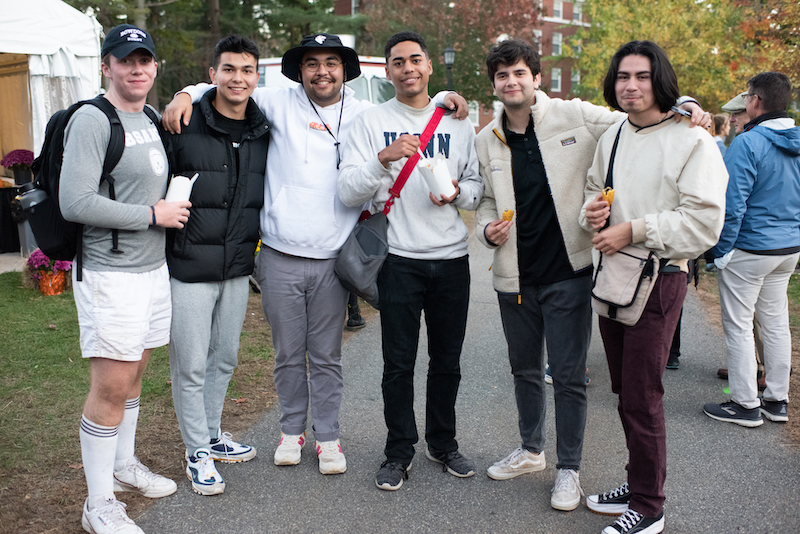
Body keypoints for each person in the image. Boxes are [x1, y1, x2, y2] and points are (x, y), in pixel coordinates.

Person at [162, 33, 466, 475]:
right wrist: (183, 93)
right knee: (287, 354)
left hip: (334, 259)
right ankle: (291, 432)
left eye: (331, 63)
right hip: (281, 254)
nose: (322, 71)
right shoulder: (276, 102)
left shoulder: (365, 113)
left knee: (326, 356)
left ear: (345, 70)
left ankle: (327, 437)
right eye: (312, 63)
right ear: (299, 71)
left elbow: (411, 109)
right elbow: (229, 85)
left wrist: (442, 96)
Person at [473, 39, 708, 511]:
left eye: (519, 72)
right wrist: (485, 230)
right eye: (502, 76)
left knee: (567, 375)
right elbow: (483, 201)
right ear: (495, 85)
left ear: (536, 77)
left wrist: (685, 105)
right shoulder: (486, 139)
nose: (511, 82)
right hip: (514, 276)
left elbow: (638, 120)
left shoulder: (575, 115)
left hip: (571, 272)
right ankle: (531, 450)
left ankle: (569, 469)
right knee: (523, 370)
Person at [579, 41, 727, 534]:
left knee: (642, 394)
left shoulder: (693, 139)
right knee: (624, 389)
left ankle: (649, 506)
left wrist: (634, 229)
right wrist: (593, 213)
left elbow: (704, 224)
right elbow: (592, 194)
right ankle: (638, 480)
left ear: (659, 79)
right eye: (623, 76)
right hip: (613, 276)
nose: (631, 86)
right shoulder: (615, 134)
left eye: (642, 76)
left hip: (660, 277)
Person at [59, 24, 191, 534]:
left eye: (145, 60)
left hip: (152, 270)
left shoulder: (151, 117)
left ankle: (124, 463)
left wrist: (189, 90)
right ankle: (99, 504)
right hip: (111, 276)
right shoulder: (93, 119)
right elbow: (76, 202)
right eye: (125, 60)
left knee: (135, 375)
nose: (136, 68)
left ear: (155, 66)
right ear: (106, 66)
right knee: (111, 385)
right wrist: (152, 215)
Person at [338, 31, 483, 491]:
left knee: (447, 361)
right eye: (397, 62)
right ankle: (398, 450)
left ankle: (443, 443)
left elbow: (477, 186)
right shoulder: (369, 121)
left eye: (415, 60)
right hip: (398, 260)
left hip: (452, 260)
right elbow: (346, 191)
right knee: (397, 364)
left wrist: (461, 195)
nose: (407, 69)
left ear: (429, 66)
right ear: (387, 71)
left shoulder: (458, 121)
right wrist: (383, 159)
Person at [166, 35, 268, 496]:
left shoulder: (262, 129)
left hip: (236, 265)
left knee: (224, 357)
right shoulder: (184, 124)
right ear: (213, 75)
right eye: (229, 69)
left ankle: (210, 432)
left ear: (256, 76)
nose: (238, 78)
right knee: (190, 364)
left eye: (247, 70)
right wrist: (184, 94)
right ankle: (196, 452)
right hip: (189, 265)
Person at [703, 71, 800, 427]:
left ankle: (744, 404)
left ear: (756, 101)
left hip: (751, 249)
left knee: (740, 325)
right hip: (787, 248)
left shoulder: (748, 142)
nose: (744, 103)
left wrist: (719, 251)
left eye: (746, 98)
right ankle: (777, 400)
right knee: (776, 324)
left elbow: (733, 204)